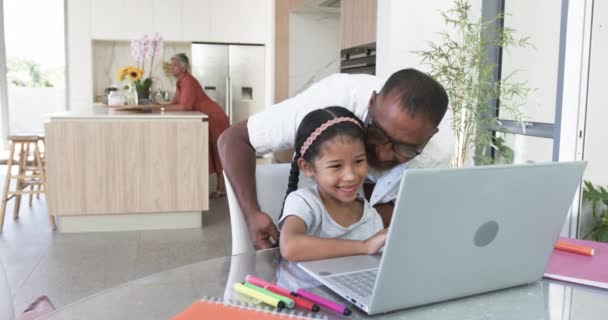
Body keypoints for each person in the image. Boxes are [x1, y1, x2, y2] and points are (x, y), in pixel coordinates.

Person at [218, 68, 450, 250]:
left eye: (405, 149)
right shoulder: (334, 98)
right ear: (371, 103)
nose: (383, 153)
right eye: (378, 134)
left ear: (430, 137)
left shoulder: (436, 158)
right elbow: (233, 139)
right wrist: (252, 214)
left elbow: (405, 215)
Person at [278, 107, 387, 262]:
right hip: (299, 287)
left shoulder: (371, 217)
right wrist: (364, 246)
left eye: (359, 161)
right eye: (336, 166)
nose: (350, 176)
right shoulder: (304, 202)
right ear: (307, 167)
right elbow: (290, 247)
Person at [164, 53, 230, 198]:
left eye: (174, 65)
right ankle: (221, 188)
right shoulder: (180, 82)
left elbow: (185, 106)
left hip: (214, 117)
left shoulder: (188, 81)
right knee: (213, 152)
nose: (171, 68)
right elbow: (175, 103)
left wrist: (162, 108)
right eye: (171, 65)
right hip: (206, 116)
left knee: (218, 152)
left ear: (184, 67)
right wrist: (160, 106)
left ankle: (223, 188)